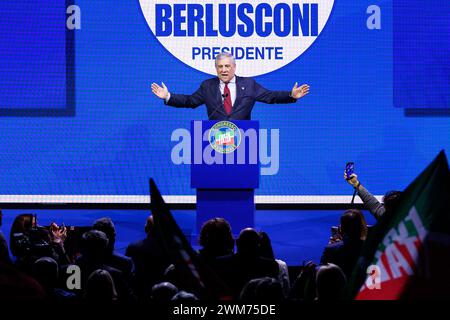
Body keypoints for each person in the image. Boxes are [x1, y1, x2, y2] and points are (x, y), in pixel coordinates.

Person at [151, 52, 310, 120]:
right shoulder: (208, 86)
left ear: (234, 67)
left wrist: (291, 95)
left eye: (227, 66)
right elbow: (190, 101)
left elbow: (271, 97)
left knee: (240, 183)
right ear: (216, 69)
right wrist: (168, 96)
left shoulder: (249, 84)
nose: (224, 70)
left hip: (244, 139)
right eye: (220, 67)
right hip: (214, 141)